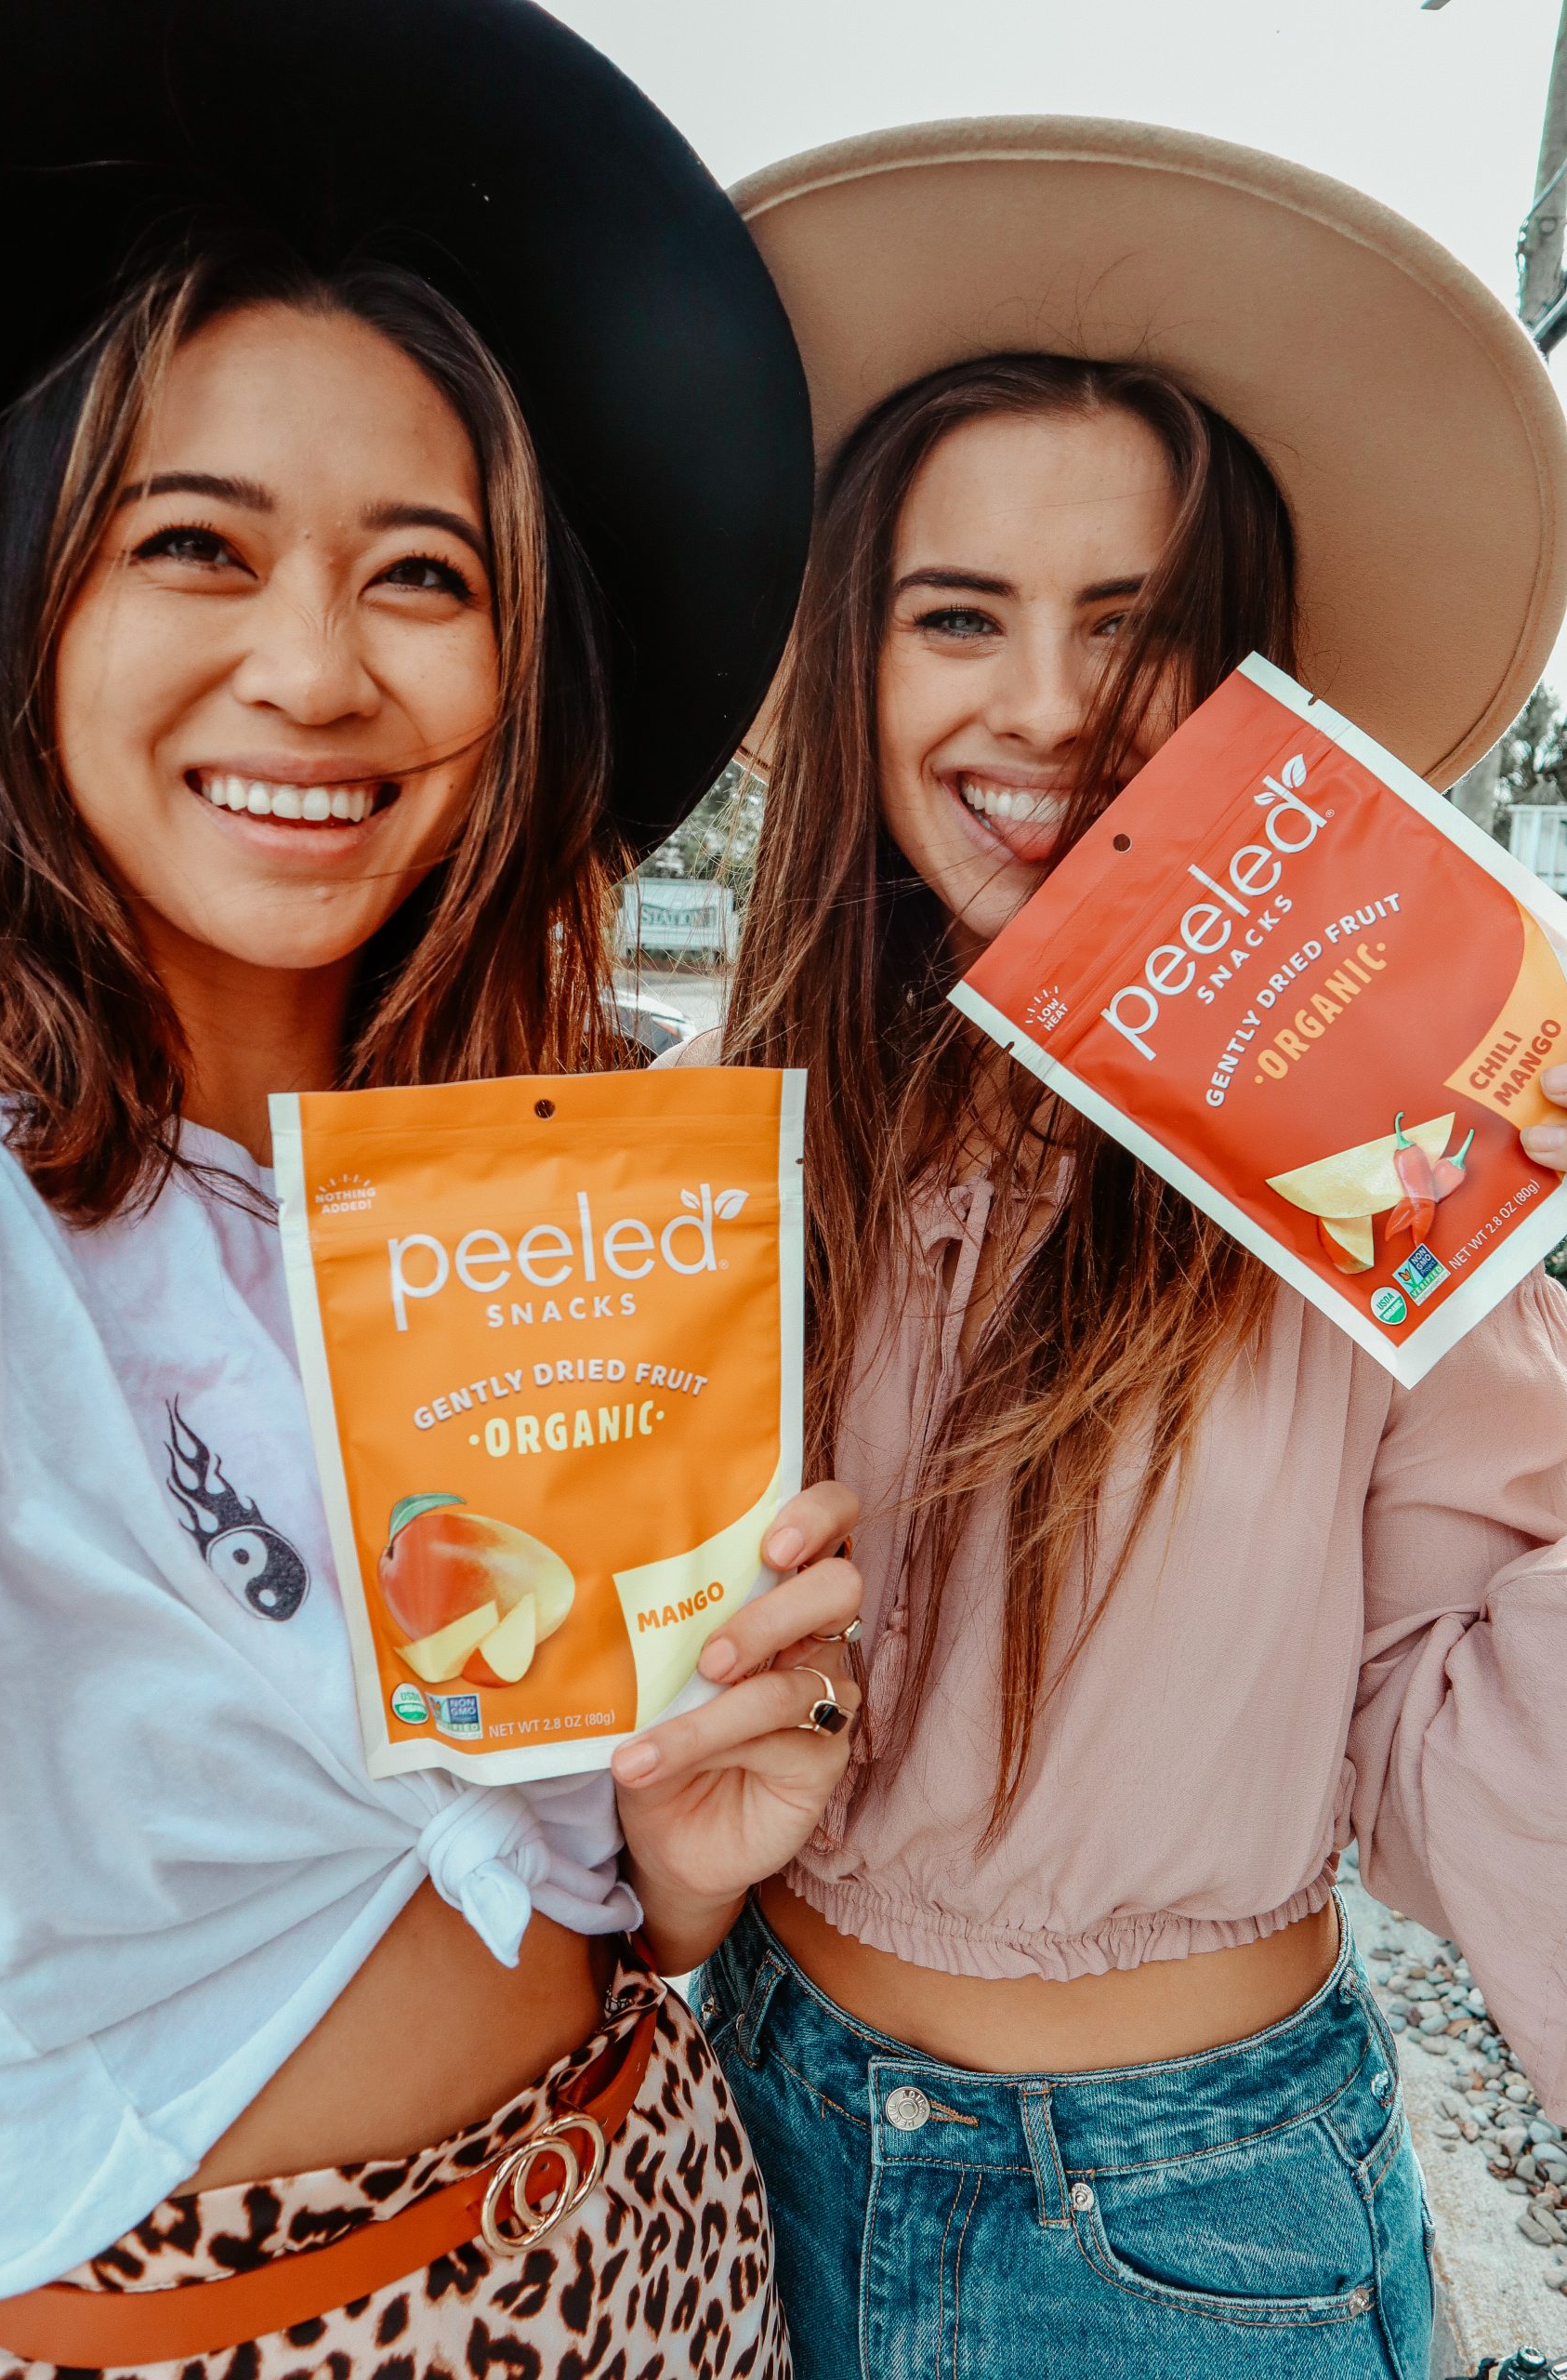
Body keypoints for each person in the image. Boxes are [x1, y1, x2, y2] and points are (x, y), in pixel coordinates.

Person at [0, 8, 862, 2375]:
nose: (310, 668)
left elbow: (566, 1866)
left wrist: (683, 1857)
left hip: (660, 2233)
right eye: (195, 546)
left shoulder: (562, 1199)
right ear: (25, 608)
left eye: (419, 576)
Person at [667, 120, 1567, 2375]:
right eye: (955, 614)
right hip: (733, 2146)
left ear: (1248, 690)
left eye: (1139, 630)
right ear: (849, 663)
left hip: (1186, 2223)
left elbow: (1464, 1715)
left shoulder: (1357, 1168)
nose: (1048, 707)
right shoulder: (709, 1138)